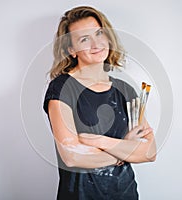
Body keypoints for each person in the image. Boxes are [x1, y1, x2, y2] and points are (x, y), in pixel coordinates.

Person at [43, 6, 156, 200]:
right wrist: (125, 150)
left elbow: (149, 152)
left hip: (126, 194)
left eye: (99, 34)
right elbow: (71, 157)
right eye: (84, 39)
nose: (96, 43)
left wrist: (102, 142)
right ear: (71, 50)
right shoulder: (62, 88)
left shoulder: (125, 90)